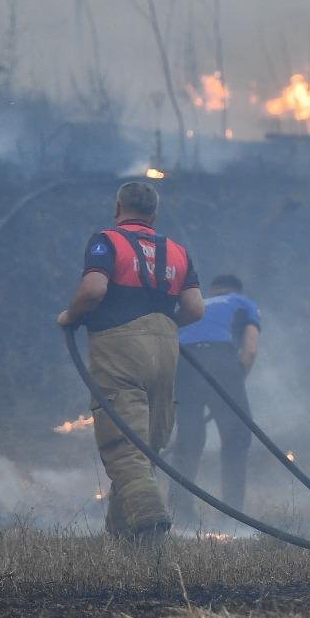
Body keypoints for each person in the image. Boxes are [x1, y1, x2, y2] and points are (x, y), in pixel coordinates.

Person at [58, 181, 204, 541]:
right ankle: (123, 542)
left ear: (118, 207)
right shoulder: (177, 251)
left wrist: (70, 316)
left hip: (119, 345)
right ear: (154, 214)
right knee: (147, 447)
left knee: (124, 445)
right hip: (165, 348)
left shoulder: (106, 240)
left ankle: (151, 521)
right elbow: (195, 309)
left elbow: (93, 289)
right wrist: (164, 327)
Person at [170, 274, 262, 525]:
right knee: (237, 436)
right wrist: (235, 379)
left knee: (189, 439)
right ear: (238, 290)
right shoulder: (243, 303)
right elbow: (250, 348)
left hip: (183, 363)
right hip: (221, 359)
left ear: (212, 291)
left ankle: (180, 515)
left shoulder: (198, 304)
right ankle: (231, 516)